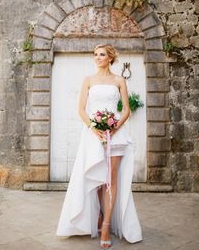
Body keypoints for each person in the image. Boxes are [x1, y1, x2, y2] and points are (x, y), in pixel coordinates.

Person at [56, 44, 143, 248]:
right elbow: (81, 110)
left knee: (110, 180)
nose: (97, 57)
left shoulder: (119, 80)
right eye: (95, 54)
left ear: (110, 58)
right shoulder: (88, 80)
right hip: (93, 134)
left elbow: (127, 111)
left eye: (102, 54)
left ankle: (105, 226)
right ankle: (99, 215)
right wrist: (94, 128)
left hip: (116, 134)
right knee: (96, 178)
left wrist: (114, 128)